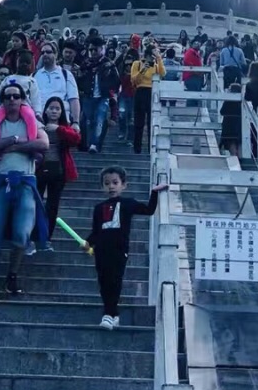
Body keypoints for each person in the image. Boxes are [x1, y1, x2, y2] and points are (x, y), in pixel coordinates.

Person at [0, 84, 49, 299]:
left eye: (16, 96)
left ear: (22, 99)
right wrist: (11, 140)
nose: (11, 100)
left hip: (25, 180)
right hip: (0, 180)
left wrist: (16, 147)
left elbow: (44, 143)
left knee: (22, 233)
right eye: (7, 97)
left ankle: (12, 274)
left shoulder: (32, 122)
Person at [90, 165, 168, 328]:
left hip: (119, 250)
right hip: (101, 251)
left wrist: (154, 192)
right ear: (102, 186)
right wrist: (88, 243)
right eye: (107, 183)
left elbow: (149, 210)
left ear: (123, 185)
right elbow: (96, 231)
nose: (111, 186)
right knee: (103, 282)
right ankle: (113, 314)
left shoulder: (128, 203)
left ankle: (108, 314)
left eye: (115, 182)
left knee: (115, 281)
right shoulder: (98, 208)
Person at [36, 96, 80, 241]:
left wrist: (59, 129)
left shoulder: (65, 128)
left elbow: (76, 139)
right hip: (39, 168)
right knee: (36, 202)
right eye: (51, 108)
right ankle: (33, 234)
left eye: (57, 109)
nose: (54, 111)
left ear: (61, 112)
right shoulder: (38, 125)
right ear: (46, 110)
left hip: (59, 170)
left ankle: (47, 237)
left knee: (53, 205)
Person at [80, 39, 121, 153]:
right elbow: (80, 79)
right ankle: (90, 143)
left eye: (95, 49)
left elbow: (117, 81)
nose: (93, 52)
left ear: (101, 49)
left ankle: (94, 144)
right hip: (88, 96)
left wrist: (111, 92)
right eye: (91, 49)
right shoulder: (86, 64)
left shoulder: (108, 64)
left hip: (103, 97)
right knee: (88, 120)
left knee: (99, 118)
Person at [34, 38, 81, 124]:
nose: (45, 54)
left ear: (56, 54)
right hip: (39, 121)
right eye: (43, 52)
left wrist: (75, 122)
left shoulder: (66, 75)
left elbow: (74, 99)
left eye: (48, 52)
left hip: (62, 121)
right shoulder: (35, 75)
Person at [130, 42, 165, 153]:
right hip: (140, 91)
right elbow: (134, 80)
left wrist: (159, 59)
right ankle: (137, 147)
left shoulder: (156, 66)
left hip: (152, 92)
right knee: (139, 121)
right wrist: (143, 69)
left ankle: (151, 147)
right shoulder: (137, 64)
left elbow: (163, 73)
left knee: (151, 121)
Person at [0, 50, 43, 115]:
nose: (24, 65)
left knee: (30, 118)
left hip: (25, 108)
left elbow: (35, 99)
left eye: (27, 63)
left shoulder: (31, 81)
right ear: (17, 62)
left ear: (31, 65)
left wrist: (38, 113)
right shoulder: (8, 79)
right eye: (22, 62)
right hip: (6, 107)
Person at [117, 46, 139, 141]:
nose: (129, 66)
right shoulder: (121, 73)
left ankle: (130, 137)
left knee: (131, 118)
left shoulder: (137, 73)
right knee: (122, 114)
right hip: (123, 96)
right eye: (127, 64)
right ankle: (122, 132)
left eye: (131, 64)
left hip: (134, 96)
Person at [220, 80, 242, 155]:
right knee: (238, 143)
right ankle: (239, 156)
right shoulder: (241, 103)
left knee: (231, 143)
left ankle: (234, 157)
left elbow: (222, 112)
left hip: (228, 126)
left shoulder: (228, 101)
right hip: (239, 125)